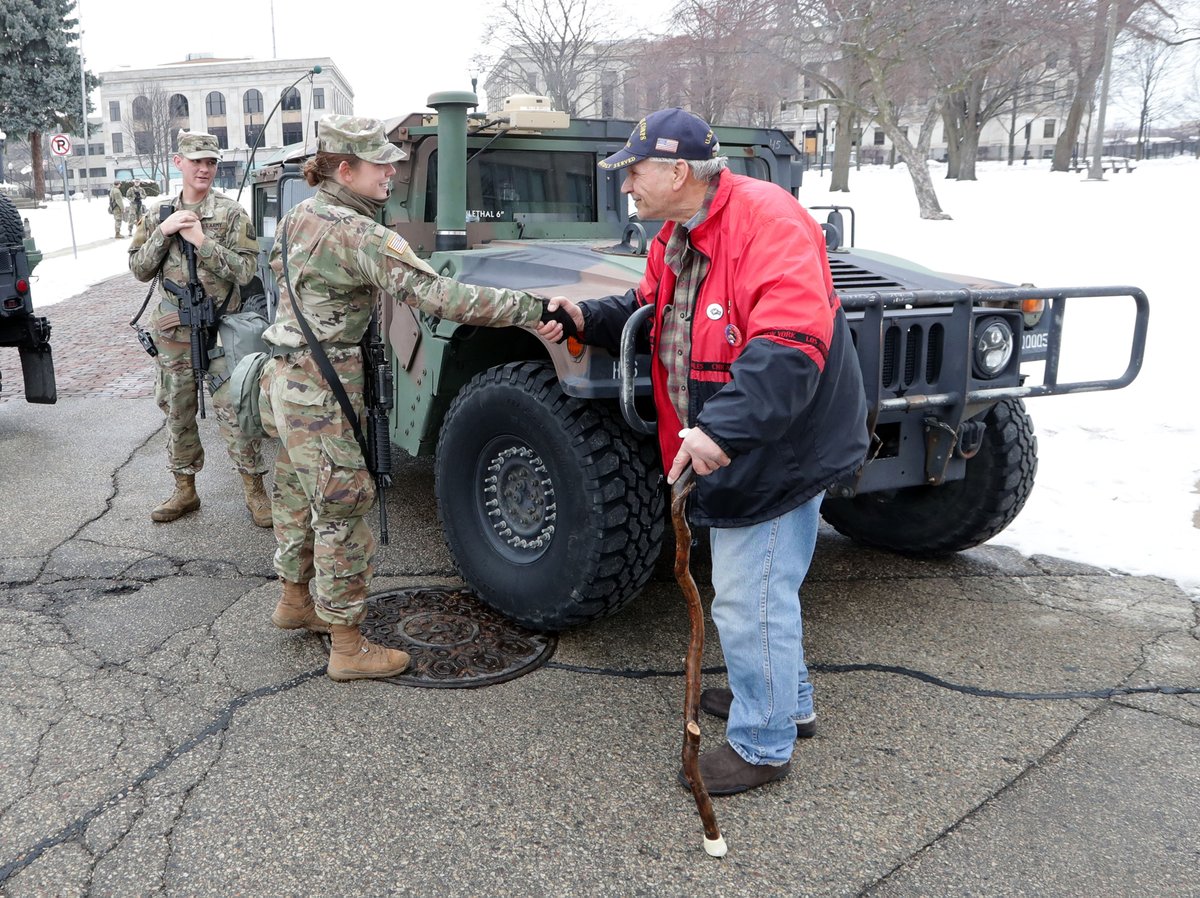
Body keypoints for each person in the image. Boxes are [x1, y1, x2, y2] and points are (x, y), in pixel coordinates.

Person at [536, 109, 869, 795]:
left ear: (677, 171)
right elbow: (650, 307)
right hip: (740, 442)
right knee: (764, 589)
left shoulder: (767, 222)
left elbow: (789, 345)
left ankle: (764, 743)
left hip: (775, 446)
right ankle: (785, 702)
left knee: (750, 601)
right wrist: (585, 317)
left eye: (633, 171)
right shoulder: (675, 236)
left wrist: (722, 432)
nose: (626, 184)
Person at [261, 115, 558, 683]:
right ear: (344, 170)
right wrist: (531, 309)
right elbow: (435, 293)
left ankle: (296, 600)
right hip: (325, 382)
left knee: (298, 492)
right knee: (344, 502)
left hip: (290, 377)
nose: (392, 172)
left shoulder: (300, 214)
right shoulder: (358, 232)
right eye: (381, 164)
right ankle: (347, 645)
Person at [129, 131, 270, 528]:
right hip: (174, 330)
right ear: (179, 163)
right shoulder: (157, 213)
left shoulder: (231, 213)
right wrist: (165, 232)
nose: (205, 168)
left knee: (235, 409)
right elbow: (139, 270)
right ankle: (184, 490)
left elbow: (245, 271)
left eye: (211, 162)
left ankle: (254, 490)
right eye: (197, 161)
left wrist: (201, 240)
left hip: (222, 328)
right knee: (177, 409)